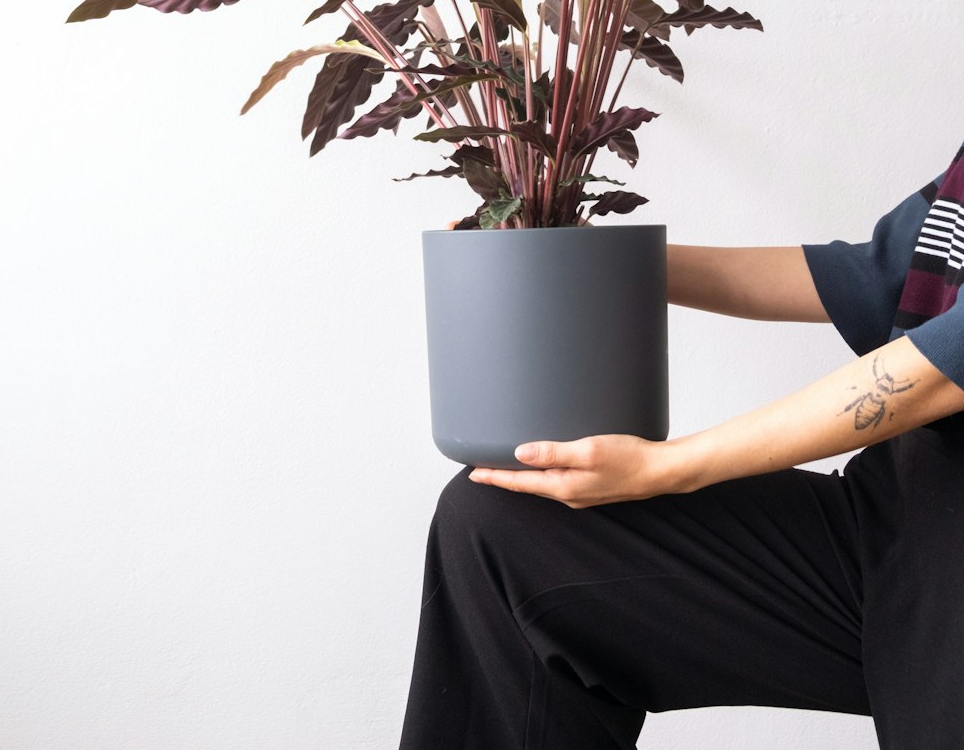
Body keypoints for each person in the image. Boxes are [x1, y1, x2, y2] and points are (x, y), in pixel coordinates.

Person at [397, 140, 964, 749]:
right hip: (898, 518)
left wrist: (668, 467)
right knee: (503, 528)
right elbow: (877, 274)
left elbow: (943, 367)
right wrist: (575, 257)